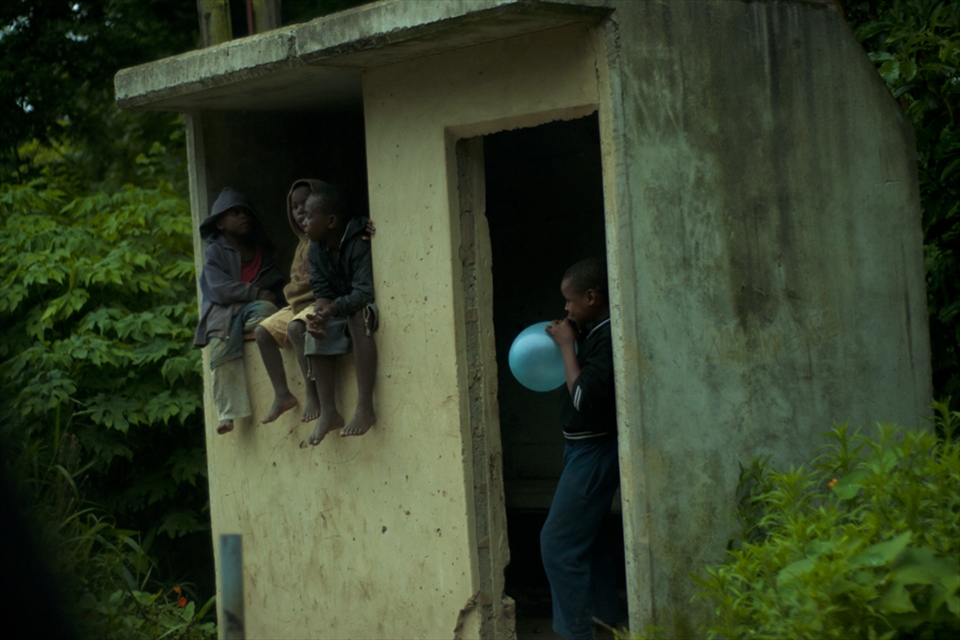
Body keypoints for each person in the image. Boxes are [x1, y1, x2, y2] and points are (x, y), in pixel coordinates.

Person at [541, 258, 621, 640]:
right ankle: (609, 621)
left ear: (592, 297)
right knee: (590, 541)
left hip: (594, 452)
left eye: (571, 302)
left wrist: (568, 347)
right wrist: (574, 336)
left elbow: (584, 400)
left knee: (557, 544)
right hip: (580, 450)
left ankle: (574, 634)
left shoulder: (608, 337)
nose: (566, 310)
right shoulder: (594, 330)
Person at [193, 187, 285, 435]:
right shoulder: (214, 252)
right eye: (235, 213)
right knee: (220, 338)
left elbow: (274, 284)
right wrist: (253, 293)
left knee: (268, 310)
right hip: (224, 313)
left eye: (247, 213)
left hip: (253, 312)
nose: (244, 217)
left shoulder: (260, 250)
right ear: (220, 223)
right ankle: (228, 414)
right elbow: (219, 288)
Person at [302, 185, 378, 445]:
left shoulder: (360, 240)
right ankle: (329, 410)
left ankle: (365, 407)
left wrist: (333, 309)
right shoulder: (315, 250)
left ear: (331, 221)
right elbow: (322, 291)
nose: (303, 221)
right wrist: (320, 314)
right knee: (310, 326)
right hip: (339, 306)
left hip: (362, 305)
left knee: (359, 317)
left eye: (310, 216)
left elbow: (364, 293)